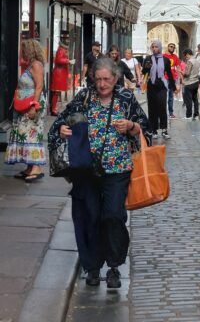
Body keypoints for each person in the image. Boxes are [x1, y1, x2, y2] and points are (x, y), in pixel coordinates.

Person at [48, 57, 151, 290]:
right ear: (93, 79)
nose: (102, 84)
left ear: (115, 79)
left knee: (113, 216)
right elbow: (59, 124)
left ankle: (114, 266)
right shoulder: (84, 97)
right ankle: (92, 267)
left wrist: (132, 127)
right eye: (98, 79)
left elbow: (145, 128)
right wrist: (63, 130)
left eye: (107, 79)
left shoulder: (125, 98)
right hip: (87, 169)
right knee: (90, 218)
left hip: (118, 169)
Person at [5, 38, 46, 182]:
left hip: (31, 106)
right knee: (26, 134)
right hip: (25, 106)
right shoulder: (30, 65)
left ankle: (36, 167)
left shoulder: (36, 65)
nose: (22, 52)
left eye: (23, 50)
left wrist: (34, 106)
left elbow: (39, 86)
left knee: (31, 135)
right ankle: (30, 166)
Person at [142, 39, 176, 140]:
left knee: (162, 107)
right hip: (151, 86)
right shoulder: (148, 59)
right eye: (152, 47)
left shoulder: (165, 60)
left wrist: (173, 86)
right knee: (152, 108)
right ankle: (154, 130)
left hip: (161, 86)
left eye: (156, 47)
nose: (154, 49)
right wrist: (147, 67)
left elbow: (169, 73)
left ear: (160, 48)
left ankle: (164, 130)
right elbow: (144, 72)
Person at [51, 32, 75, 115]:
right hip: (59, 73)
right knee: (56, 92)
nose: (68, 41)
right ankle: (53, 109)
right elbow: (58, 60)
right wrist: (68, 61)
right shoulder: (61, 49)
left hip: (61, 73)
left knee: (57, 92)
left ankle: (54, 108)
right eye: (66, 39)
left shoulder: (63, 49)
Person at [163, 43, 181, 118]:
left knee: (171, 96)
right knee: (164, 95)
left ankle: (171, 112)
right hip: (164, 78)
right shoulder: (163, 56)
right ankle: (163, 112)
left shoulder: (175, 57)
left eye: (174, 47)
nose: (172, 48)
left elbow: (178, 67)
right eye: (171, 46)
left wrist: (179, 79)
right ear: (168, 47)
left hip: (172, 78)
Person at [181, 49, 200, 121]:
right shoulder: (197, 61)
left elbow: (187, 74)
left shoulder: (190, 61)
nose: (186, 57)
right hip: (196, 82)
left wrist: (182, 72)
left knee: (188, 100)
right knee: (195, 99)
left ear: (188, 54)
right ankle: (196, 115)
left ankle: (188, 116)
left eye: (185, 56)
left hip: (189, 83)